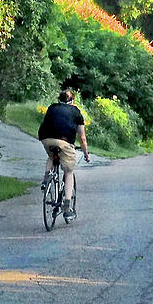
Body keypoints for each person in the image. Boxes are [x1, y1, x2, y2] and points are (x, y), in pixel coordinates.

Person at [38, 88, 90, 218]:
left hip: (46, 138)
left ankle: (46, 179)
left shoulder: (52, 107)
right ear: (72, 101)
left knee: (51, 156)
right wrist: (86, 154)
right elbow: (82, 138)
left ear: (59, 100)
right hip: (64, 141)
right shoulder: (76, 112)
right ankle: (67, 208)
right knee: (68, 172)